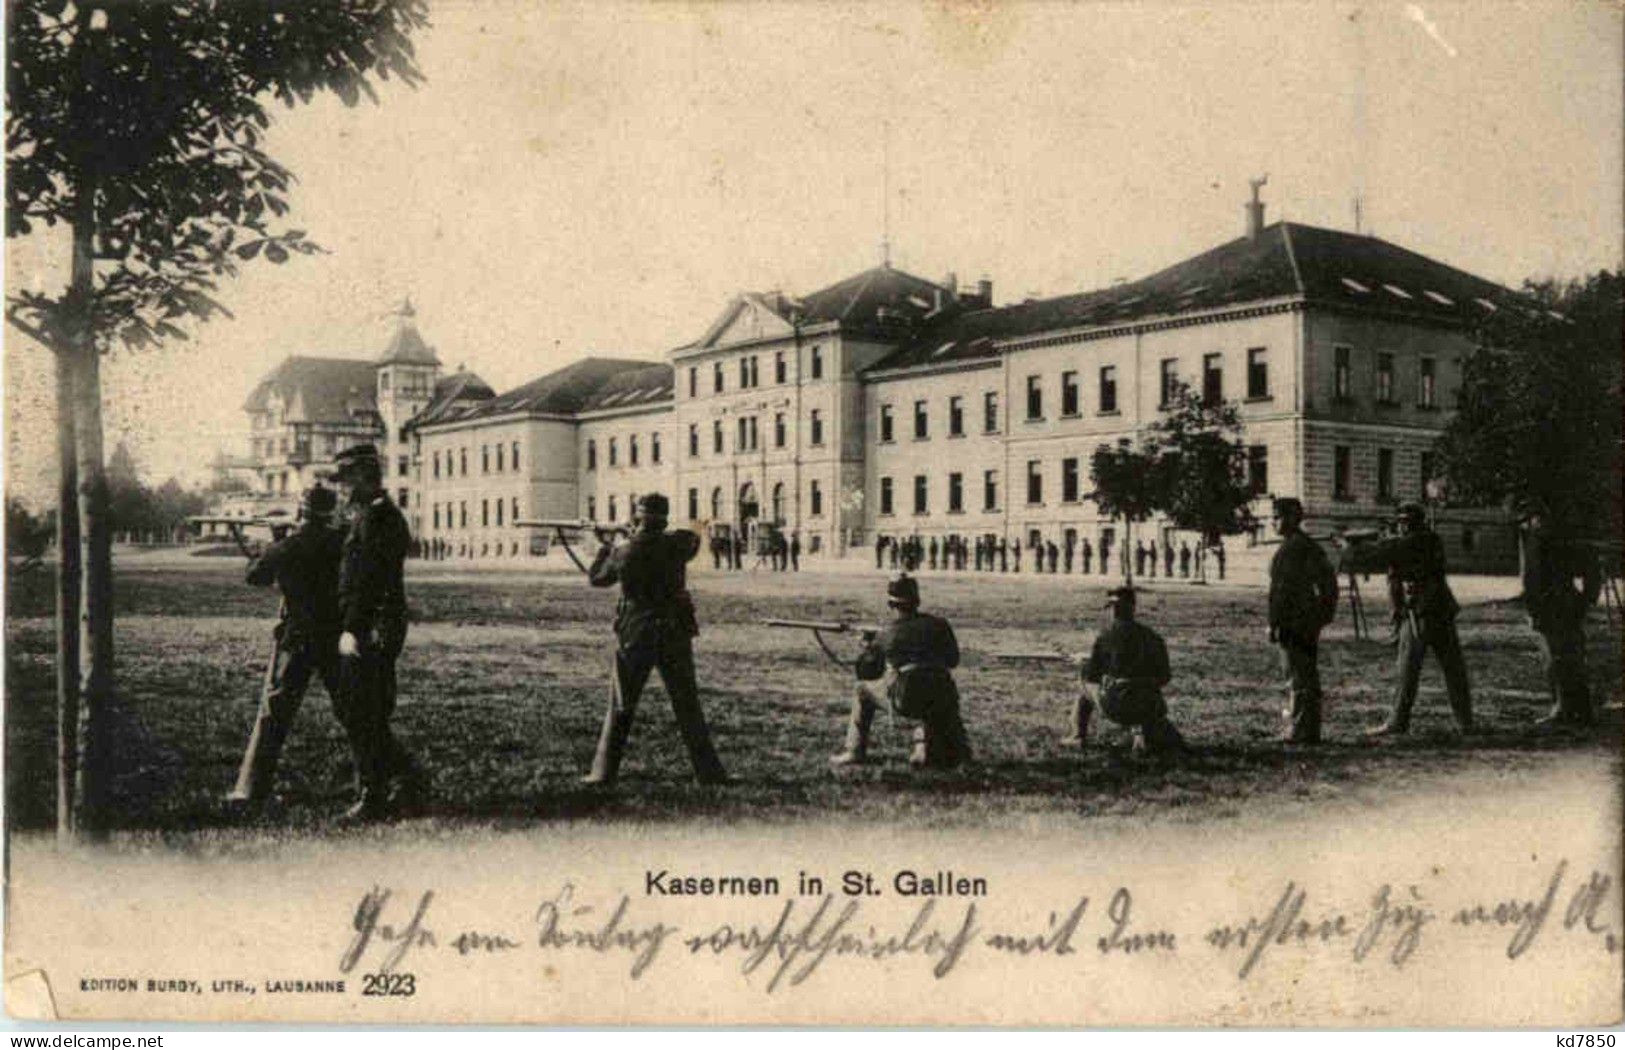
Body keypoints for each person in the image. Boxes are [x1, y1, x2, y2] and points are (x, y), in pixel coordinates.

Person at [585, 493, 729, 785]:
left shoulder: (624, 551)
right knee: (688, 704)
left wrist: (606, 545)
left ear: (638, 519)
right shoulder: (677, 545)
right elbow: (692, 538)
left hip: (636, 634)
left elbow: (597, 578)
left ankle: (602, 773)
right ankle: (709, 773)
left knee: (622, 704)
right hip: (675, 632)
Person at [225, 485, 346, 815]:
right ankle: (386, 780)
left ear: (301, 511)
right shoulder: (341, 543)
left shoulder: (289, 546)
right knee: (354, 711)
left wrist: (275, 542)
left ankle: (249, 790)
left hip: (297, 638)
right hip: (334, 637)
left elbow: (255, 576)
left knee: (274, 713)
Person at [330, 443, 424, 822]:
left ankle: (376, 793)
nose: (342, 489)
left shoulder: (379, 519)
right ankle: (400, 779)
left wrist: (354, 629)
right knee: (361, 709)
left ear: (365, 478)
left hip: (374, 624)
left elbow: (370, 581)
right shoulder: (370, 516)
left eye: (346, 480)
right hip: (375, 622)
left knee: (362, 709)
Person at [1354, 502, 1474, 736]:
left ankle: (1398, 722)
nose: (1402, 527)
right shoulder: (1429, 539)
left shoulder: (1417, 541)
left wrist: (1351, 547)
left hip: (1421, 612)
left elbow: (1379, 554)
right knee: (1453, 669)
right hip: (1438, 611)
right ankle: (1465, 721)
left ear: (1413, 524)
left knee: (1408, 669)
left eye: (1404, 523)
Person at [831, 574, 972, 769]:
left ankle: (854, 750)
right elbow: (953, 661)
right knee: (935, 688)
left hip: (908, 699)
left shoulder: (888, 633)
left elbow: (866, 672)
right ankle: (952, 751)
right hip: (943, 697)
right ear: (917, 601)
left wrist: (868, 647)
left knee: (861, 690)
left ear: (891, 604)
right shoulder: (939, 624)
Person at [1068, 587, 1185, 755]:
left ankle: (1077, 736)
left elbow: (1093, 676)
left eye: (1115, 608)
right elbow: (1164, 676)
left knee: (1083, 683)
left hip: (1117, 705)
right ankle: (1142, 733)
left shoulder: (1105, 637)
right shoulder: (1153, 637)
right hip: (1148, 705)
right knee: (1171, 741)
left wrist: (1084, 663)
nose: (1114, 612)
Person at [1518, 500, 1601, 728]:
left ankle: (1562, 710)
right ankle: (1581, 712)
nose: (1526, 525)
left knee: (1555, 661)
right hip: (1570, 607)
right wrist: (1586, 600)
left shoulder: (1538, 544)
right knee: (1573, 659)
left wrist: (1533, 611)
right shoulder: (1565, 541)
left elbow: (1531, 582)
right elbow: (1592, 568)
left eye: (1529, 520)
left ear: (1538, 519)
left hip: (1551, 610)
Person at [1267, 498, 1339, 744]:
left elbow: (1281, 592)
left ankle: (1300, 731)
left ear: (1291, 518)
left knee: (1298, 676)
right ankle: (1307, 729)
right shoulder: (1305, 546)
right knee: (1305, 675)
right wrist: (1321, 616)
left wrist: (1275, 622)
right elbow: (1329, 584)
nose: (1273, 522)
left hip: (1294, 622)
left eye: (1277, 516)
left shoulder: (1293, 548)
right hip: (1305, 621)